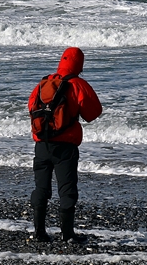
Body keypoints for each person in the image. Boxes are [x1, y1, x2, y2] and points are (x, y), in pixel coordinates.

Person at [28, 47, 102, 243]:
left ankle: (39, 233)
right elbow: (93, 113)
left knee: (41, 189)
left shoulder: (43, 83)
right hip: (65, 147)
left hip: (42, 144)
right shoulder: (77, 84)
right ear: (80, 64)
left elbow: (31, 108)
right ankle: (67, 235)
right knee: (67, 190)